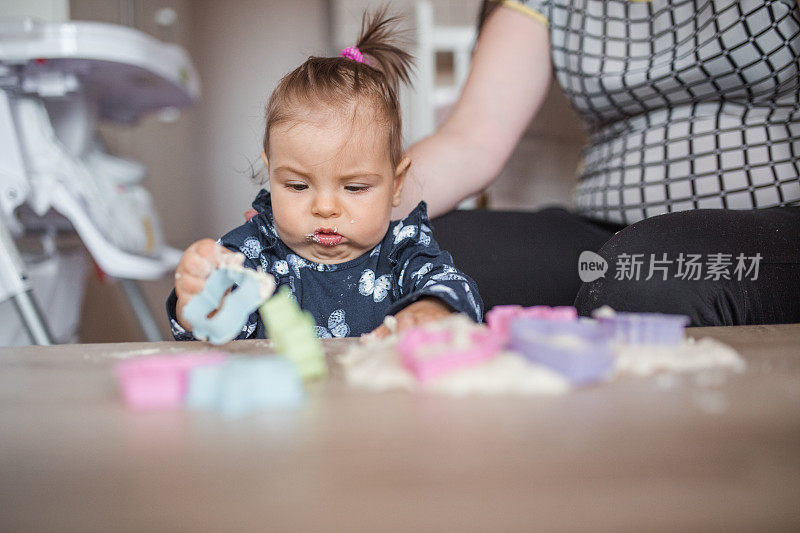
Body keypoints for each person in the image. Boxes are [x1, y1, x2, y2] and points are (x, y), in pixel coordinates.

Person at [397, 0, 800, 326]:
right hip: (604, 234)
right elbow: (469, 142)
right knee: (409, 254)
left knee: (647, 274)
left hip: (771, 225)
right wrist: (353, 206)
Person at [166, 10, 482, 341]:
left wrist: (432, 308)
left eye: (355, 187)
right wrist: (200, 304)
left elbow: (455, 289)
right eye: (297, 186)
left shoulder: (403, 249)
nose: (325, 207)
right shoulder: (254, 250)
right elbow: (214, 338)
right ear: (271, 173)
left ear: (396, 185)